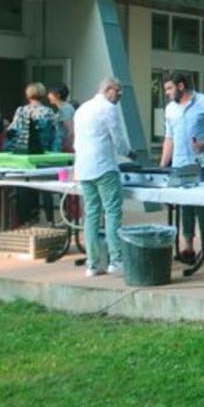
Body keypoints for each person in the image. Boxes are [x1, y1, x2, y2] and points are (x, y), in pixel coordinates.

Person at [159, 71, 204, 262]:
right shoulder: (170, 109)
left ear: (180, 86)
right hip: (180, 164)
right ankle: (187, 247)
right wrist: (163, 164)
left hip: (203, 163)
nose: (167, 93)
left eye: (169, 88)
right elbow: (168, 137)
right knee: (185, 206)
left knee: (203, 207)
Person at [73, 76, 131, 276]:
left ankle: (92, 263)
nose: (120, 95)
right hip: (104, 167)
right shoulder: (108, 108)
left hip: (83, 168)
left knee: (91, 215)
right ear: (107, 90)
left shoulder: (82, 109)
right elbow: (118, 139)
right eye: (118, 91)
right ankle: (116, 260)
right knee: (112, 212)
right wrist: (130, 153)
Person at [7, 82, 59, 225]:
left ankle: (26, 220)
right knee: (46, 187)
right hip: (44, 154)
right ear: (42, 94)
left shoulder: (21, 111)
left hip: (24, 155)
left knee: (24, 186)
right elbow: (55, 134)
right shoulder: (48, 112)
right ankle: (49, 219)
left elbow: (12, 130)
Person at [47, 84, 75, 152]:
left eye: (50, 93)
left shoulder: (66, 109)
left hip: (64, 148)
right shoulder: (61, 109)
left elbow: (70, 130)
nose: (48, 96)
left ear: (58, 95)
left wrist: (66, 147)